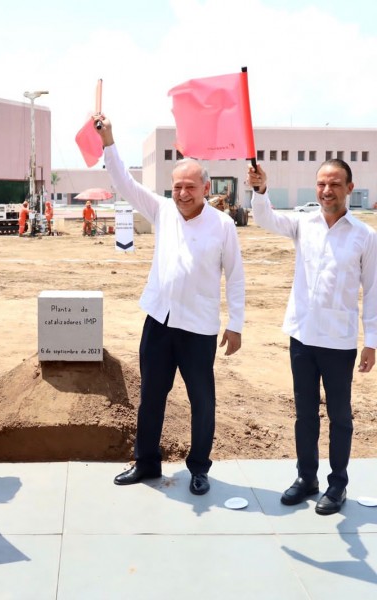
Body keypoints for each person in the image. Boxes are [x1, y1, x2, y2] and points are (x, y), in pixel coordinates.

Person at [96, 114, 244, 496]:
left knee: (202, 401)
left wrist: (237, 323)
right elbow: (123, 183)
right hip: (159, 323)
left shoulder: (223, 225)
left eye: (190, 186)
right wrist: (109, 140)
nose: (182, 193)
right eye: (177, 186)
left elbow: (236, 275)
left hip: (199, 329)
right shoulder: (162, 212)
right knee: (151, 397)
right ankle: (146, 464)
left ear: (205, 187)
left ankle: (199, 468)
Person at [249, 160, 377, 515]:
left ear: (349, 188)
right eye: (321, 183)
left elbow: (374, 291)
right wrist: (261, 191)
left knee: (340, 417)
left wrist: (372, 341)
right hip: (302, 337)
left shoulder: (364, 236)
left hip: (339, 341)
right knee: (305, 414)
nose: (326, 190)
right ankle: (307, 478)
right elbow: (266, 219)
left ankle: (338, 485)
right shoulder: (303, 224)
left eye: (334, 184)